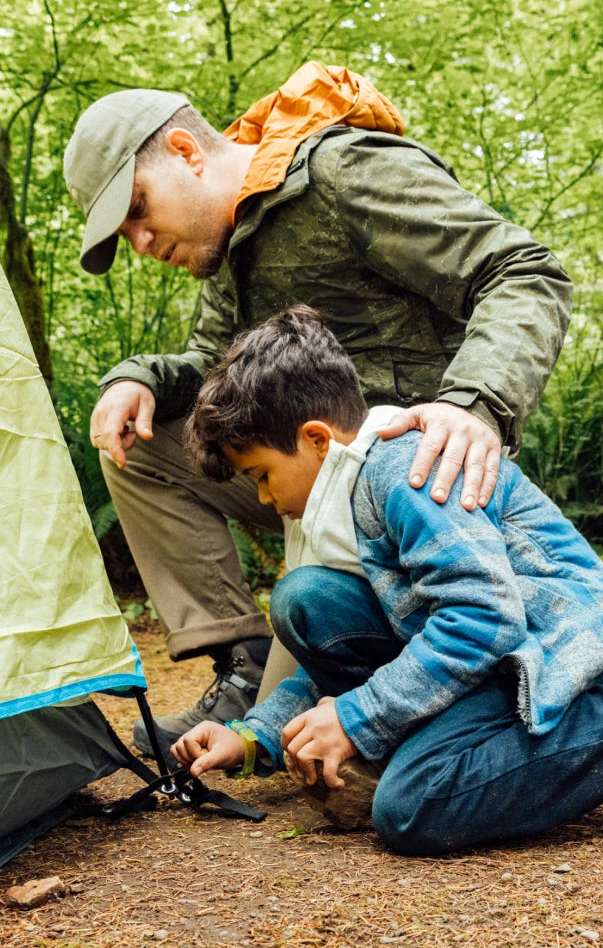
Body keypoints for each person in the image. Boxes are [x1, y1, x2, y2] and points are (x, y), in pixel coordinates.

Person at [63, 63, 573, 755]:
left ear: (185, 152)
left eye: (138, 211)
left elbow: (522, 272)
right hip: (309, 483)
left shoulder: (344, 171)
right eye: (125, 235)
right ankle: (241, 666)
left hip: (412, 481)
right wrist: (138, 379)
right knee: (136, 439)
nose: (142, 245)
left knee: (300, 722)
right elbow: (212, 366)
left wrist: (473, 407)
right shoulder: (227, 243)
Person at [170, 305, 603, 855]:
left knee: (413, 807)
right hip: (492, 655)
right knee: (306, 599)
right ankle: (419, 748)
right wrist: (252, 735)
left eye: (262, 475)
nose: (264, 499)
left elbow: (485, 619)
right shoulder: (345, 491)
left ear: (316, 439)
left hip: (552, 649)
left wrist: (359, 718)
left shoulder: (404, 471)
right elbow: (368, 646)